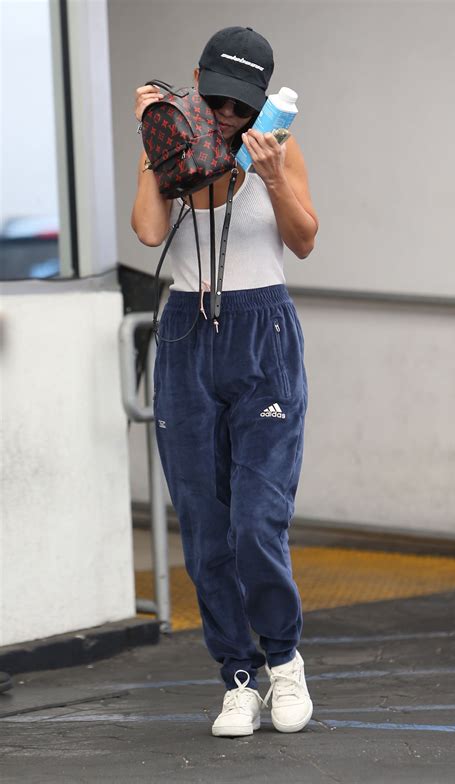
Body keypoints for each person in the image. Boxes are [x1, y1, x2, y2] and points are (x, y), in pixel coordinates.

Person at [131, 26, 319, 738]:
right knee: (205, 527)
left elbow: (303, 240)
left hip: (261, 329)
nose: (231, 117)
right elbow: (149, 233)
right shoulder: (173, 137)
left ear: (263, 100)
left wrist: (270, 174)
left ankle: (285, 660)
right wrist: (153, 143)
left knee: (254, 521)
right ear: (196, 81)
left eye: (243, 105)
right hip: (185, 332)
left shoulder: (278, 143)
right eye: (219, 101)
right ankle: (237, 676)